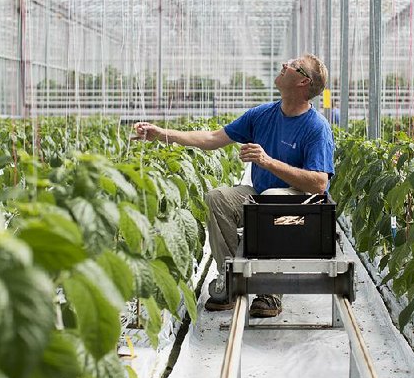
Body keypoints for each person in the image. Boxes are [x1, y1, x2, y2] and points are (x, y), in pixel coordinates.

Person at [132, 53, 335, 318]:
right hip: (263, 199)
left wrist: (268, 162)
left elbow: (319, 184)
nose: (284, 65)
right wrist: (163, 135)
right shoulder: (262, 115)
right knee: (218, 197)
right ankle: (229, 277)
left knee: (272, 197)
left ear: (303, 82)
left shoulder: (316, 127)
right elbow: (212, 138)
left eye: (293, 66)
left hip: (301, 212)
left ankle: (270, 288)